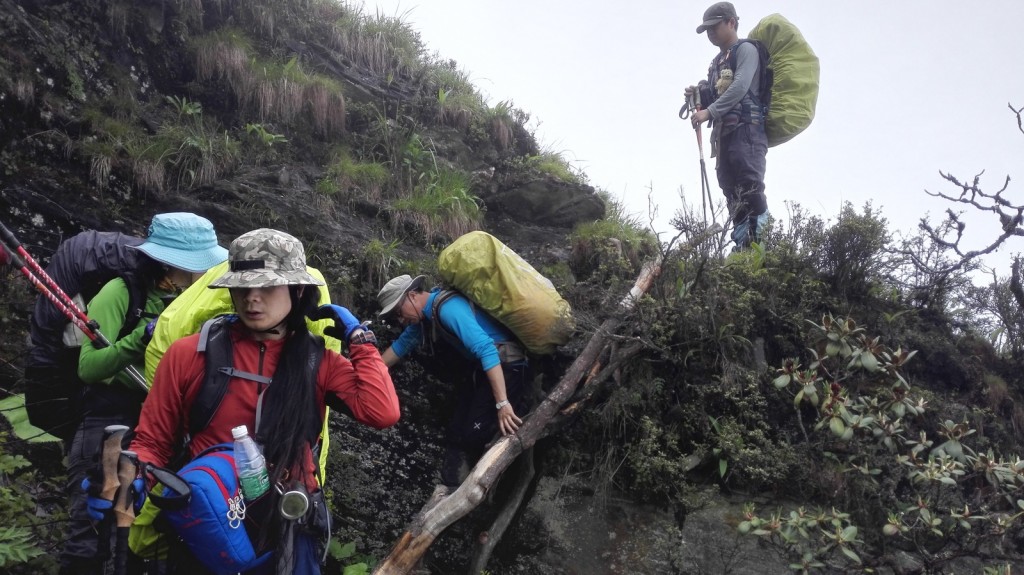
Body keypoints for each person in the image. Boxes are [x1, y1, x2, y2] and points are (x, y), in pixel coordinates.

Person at [129, 228, 400, 574]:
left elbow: (382, 412)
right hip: (205, 526)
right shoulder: (188, 355)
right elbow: (153, 443)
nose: (252, 298)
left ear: (298, 290)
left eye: (267, 286)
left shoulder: (318, 364)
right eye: (242, 287)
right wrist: (132, 476)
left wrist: (361, 340)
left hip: (287, 529)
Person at [61, 212, 228, 575]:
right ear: (167, 262)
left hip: (164, 426)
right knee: (92, 533)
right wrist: (141, 339)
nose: (200, 273)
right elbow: (88, 367)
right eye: (194, 265)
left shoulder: (197, 302)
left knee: (147, 533)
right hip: (110, 421)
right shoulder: (120, 292)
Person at [376, 274, 530, 490]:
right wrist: (367, 374)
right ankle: (453, 486)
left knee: (475, 432)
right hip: (483, 371)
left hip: (507, 366)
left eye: (398, 313)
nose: (400, 320)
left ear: (412, 295)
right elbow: (401, 347)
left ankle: (521, 413)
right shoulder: (426, 318)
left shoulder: (448, 309)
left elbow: (486, 349)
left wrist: (503, 404)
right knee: (457, 431)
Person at [686, 1, 770, 250]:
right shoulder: (716, 63)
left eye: (714, 27)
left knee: (750, 185)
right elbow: (718, 95)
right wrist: (699, 95)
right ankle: (743, 246)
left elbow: (740, 87)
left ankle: (760, 247)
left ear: (731, 23)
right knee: (730, 189)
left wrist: (708, 112)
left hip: (747, 131)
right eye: (707, 30)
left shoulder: (746, 51)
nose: (710, 33)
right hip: (724, 135)